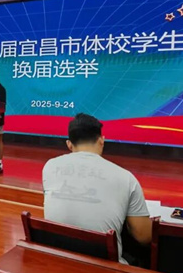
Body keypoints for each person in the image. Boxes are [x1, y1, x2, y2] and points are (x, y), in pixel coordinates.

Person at [42, 113, 152, 263]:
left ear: (69, 144)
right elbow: (144, 236)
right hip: (106, 271)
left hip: (58, 262)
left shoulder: (49, 167)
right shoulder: (126, 178)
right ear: (101, 141)